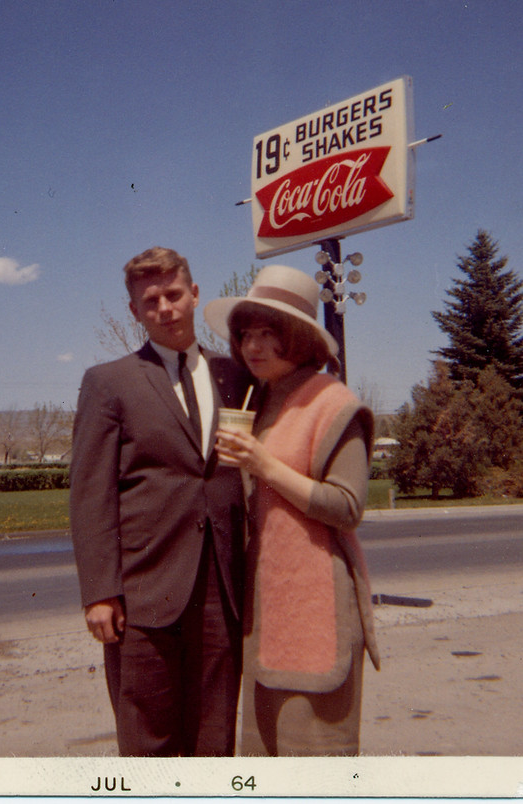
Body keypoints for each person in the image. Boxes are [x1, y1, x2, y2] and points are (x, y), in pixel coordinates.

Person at [70, 246, 251, 756]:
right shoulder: (109, 382)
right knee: (148, 737)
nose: (165, 308)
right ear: (135, 312)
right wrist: (100, 592)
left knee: (214, 735)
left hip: (222, 586)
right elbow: (90, 495)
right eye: (151, 301)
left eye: (174, 295)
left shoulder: (234, 375)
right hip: (144, 592)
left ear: (195, 295)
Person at [204, 264, 380, 756]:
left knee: (314, 758)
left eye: (268, 335)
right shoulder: (261, 402)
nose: (252, 347)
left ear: (299, 339)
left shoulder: (334, 403)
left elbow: (347, 507)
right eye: (245, 335)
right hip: (267, 611)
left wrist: (264, 465)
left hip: (315, 605)